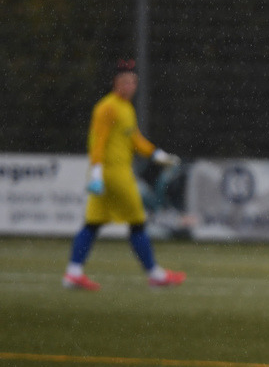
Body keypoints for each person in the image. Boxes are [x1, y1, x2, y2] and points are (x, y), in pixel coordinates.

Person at [62, 59, 186, 290]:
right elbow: (97, 142)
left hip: (108, 176)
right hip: (114, 175)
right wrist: (97, 173)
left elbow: (134, 140)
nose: (129, 86)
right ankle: (155, 275)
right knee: (137, 222)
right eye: (124, 81)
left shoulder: (126, 108)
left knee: (92, 223)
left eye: (132, 81)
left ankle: (73, 273)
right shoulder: (107, 107)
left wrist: (158, 155)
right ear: (115, 83)